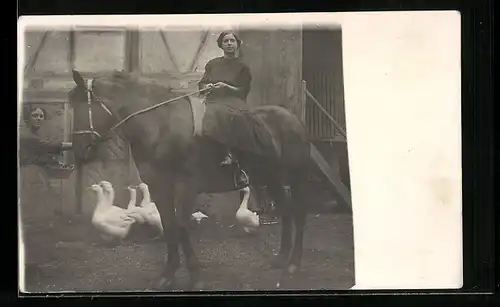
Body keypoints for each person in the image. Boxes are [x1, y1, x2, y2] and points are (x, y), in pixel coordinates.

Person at [198, 31, 253, 170]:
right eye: (226, 41)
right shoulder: (213, 64)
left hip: (234, 100)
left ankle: (229, 153)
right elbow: (202, 83)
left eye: (232, 41)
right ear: (221, 45)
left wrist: (227, 87)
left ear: (237, 44)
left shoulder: (243, 67)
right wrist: (207, 86)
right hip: (213, 100)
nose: (229, 44)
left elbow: (243, 90)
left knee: (231, 117)